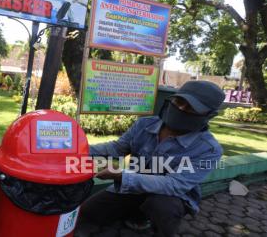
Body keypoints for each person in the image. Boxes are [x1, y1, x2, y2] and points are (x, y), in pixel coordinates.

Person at [76, 81, 226, 237]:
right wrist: (78, 151)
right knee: (88, 213)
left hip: (169, 197)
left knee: (162, 206)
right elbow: (116, 148)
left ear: (209, 116)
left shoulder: (209, 149)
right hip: (132, 187)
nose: (181, 109)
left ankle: (161, 229)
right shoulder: (145, 124)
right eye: (179, 102)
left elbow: (175, 185)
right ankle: (136, 213)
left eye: (191, 108)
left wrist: (122, 175)